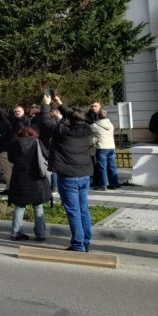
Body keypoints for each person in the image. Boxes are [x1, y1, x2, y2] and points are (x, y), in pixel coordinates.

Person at [47, 95, 94, 252]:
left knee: (73, 211)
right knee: (83, 209)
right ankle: (86, 242)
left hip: (68, 177)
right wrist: (61, 104)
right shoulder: (87, 130)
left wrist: (46, 105)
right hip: (84, 175)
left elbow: (47, 122)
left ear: (70, 120)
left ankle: (78, 244)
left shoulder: (63, 131)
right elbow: (75, 117)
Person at [7, 125, 51, 241]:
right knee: (38, 206)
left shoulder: (14, 143)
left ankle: (15, 232)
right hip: (36, 177)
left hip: (19, 177)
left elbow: (11, 159)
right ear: (32, 133)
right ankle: (40, 234)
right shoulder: (36, 142)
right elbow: (46, 155)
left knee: (20, 205)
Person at [92, 110, 120, 190]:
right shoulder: (111, 124)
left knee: (102, 167)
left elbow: (89, 132)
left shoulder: (95, 125)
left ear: (98, 116)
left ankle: (104, 184)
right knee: (112, 166)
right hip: (111, 147)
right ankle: (114, 183)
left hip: (102, 147)